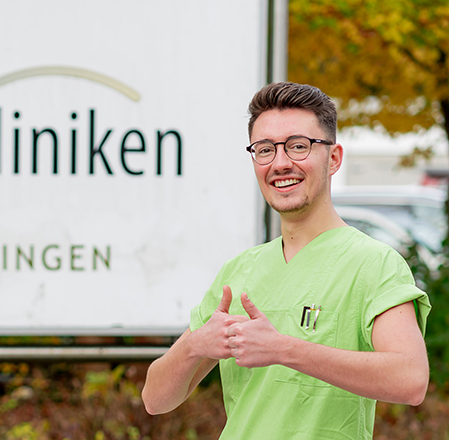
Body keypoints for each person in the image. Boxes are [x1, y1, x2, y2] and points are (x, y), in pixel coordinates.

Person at [140, 82, 430, 439]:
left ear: (334, 157)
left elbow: (411, 380)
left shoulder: (373, 264)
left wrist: (284, 349)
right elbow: (155, 399)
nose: (280, 163)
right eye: (264, 150)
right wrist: (194, 345)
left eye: (298, 146)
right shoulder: (238, 272)